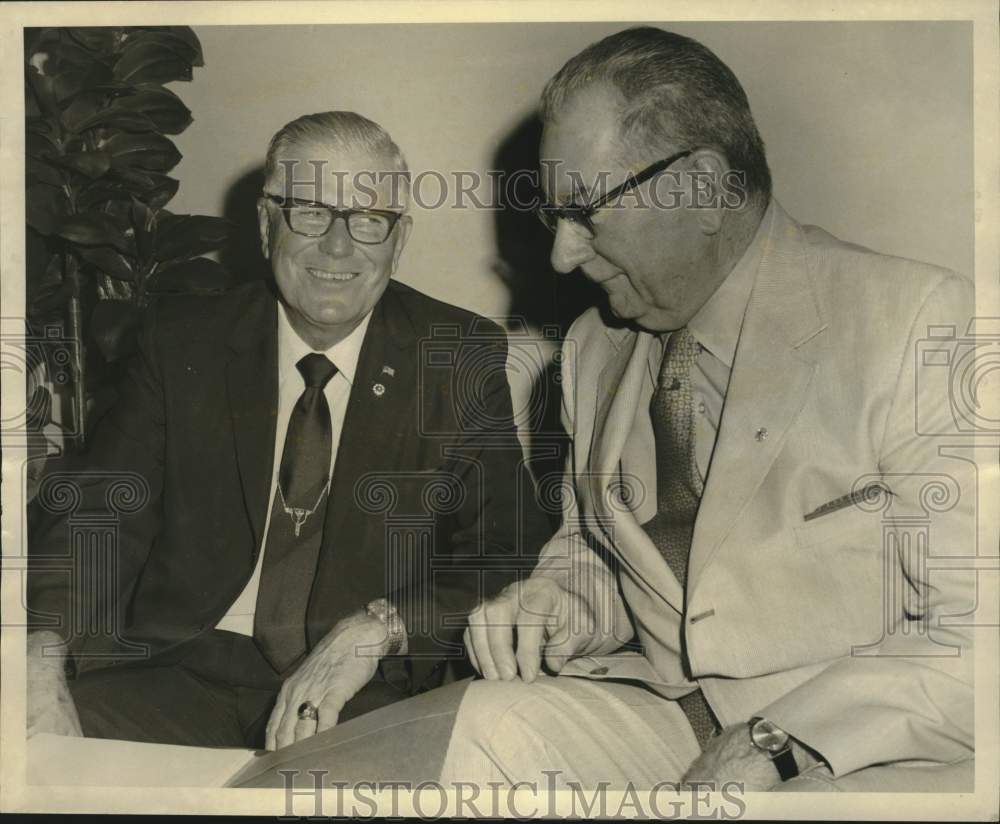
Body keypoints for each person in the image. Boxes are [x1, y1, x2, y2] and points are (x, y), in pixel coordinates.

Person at [454, 26, 977, 791]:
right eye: (550, 218)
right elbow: (599, 552)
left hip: (868, 746)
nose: (563, 255)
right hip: (677, 715)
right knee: (482, 726)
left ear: (699, 187)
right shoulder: (592, 349)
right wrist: (561, 601)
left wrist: (780, 744)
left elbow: (983, 633)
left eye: (585, 213)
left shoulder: (919, 320)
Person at [27, 111, 549, 752]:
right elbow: (100, 509)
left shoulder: (456, 355)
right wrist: (42, 652)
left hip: (360, 690)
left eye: (367, 220)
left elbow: (507, 549)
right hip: (173, 670)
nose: (338, 247)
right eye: (309, 212)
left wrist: (381, 626)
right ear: (266, 220)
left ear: (399, 237)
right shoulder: (182, 338)